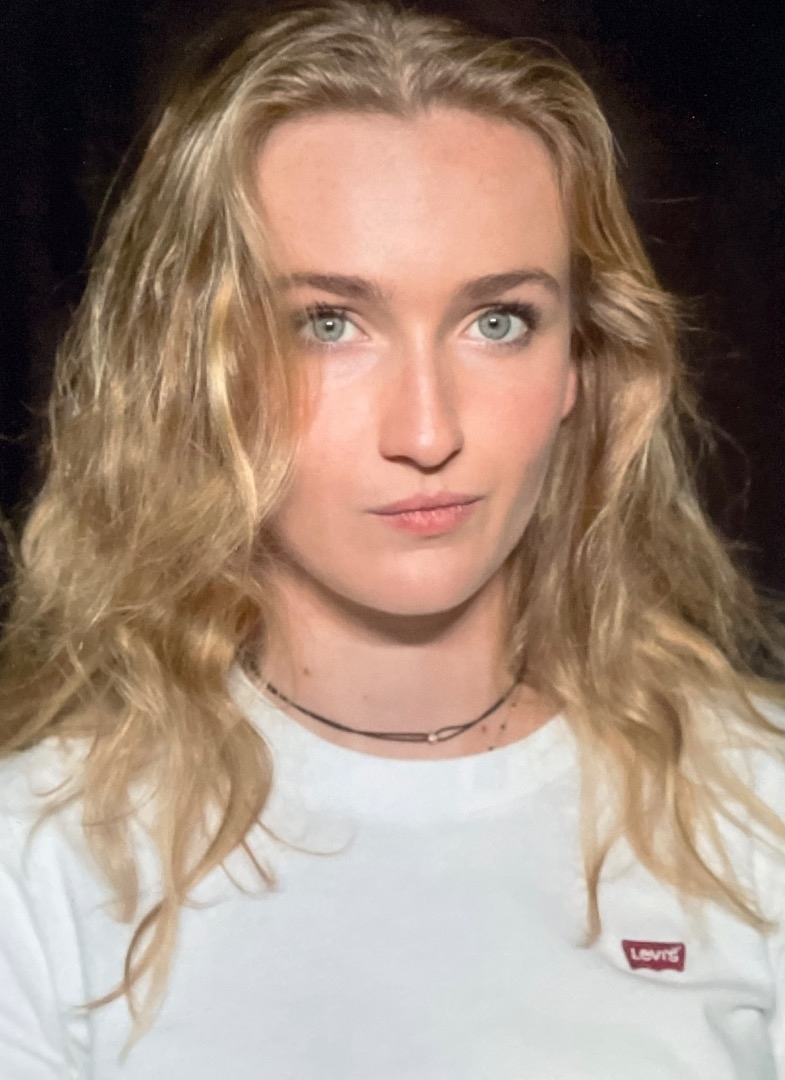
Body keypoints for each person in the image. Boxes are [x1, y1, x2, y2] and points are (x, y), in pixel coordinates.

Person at [1, 1, 784, 1076]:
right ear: (192, 366)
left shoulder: (756, 809)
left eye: (497, 321)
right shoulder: (39, 859)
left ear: (581, 362)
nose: (427, 432)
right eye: (327, 324)